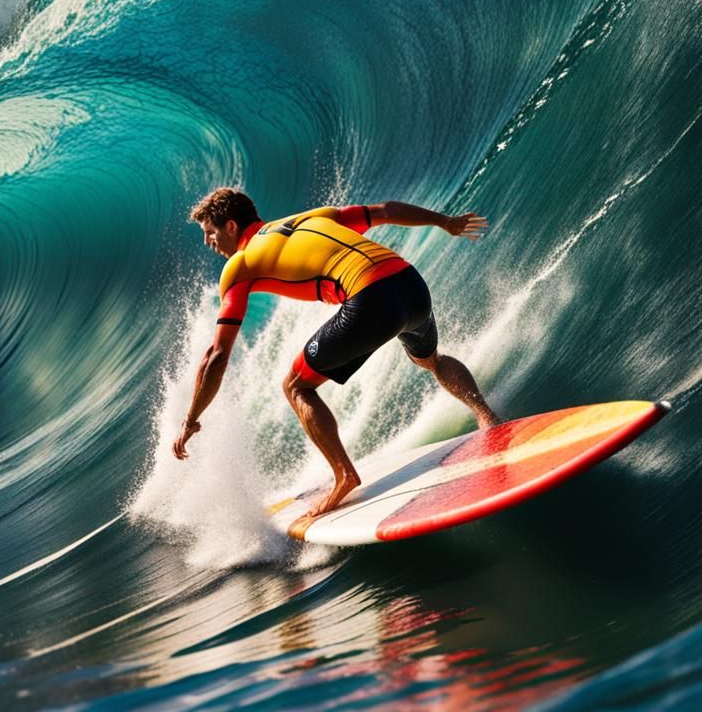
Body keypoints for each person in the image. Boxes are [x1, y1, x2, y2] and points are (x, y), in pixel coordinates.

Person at [173, 187, 500, 533]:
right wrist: (444, 222)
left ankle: (344, 476)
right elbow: (386, 209)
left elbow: (217, 355)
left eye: (209, 232)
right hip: (410, 283)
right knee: (430, 359)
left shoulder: (239, 266)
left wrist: (191, 418)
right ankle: (487, 415)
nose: (209, 242)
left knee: (296, 386)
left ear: (232, 226)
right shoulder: (314, 217)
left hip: (369, 298)